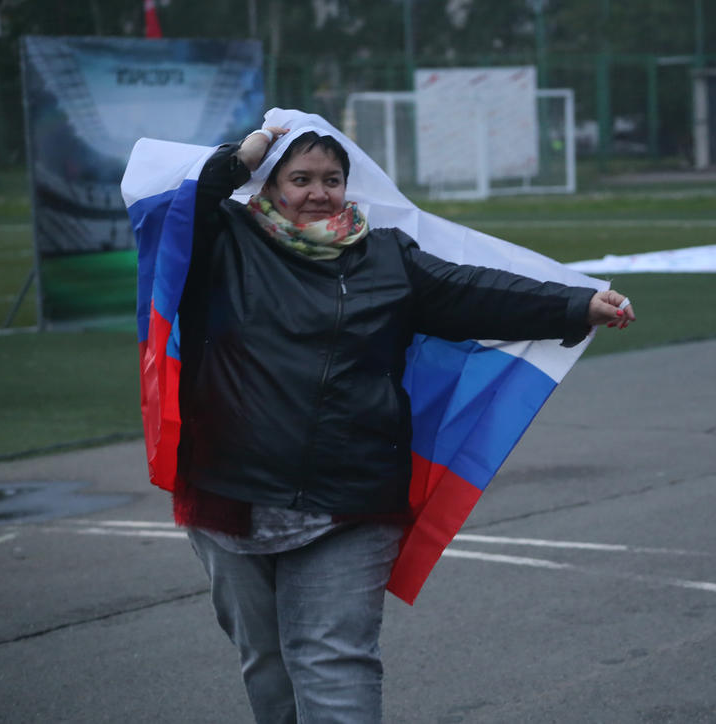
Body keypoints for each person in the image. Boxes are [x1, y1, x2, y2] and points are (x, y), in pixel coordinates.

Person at [167, 120, 635, 724]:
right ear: (270, 184)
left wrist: (575, 304)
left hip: (350, 499)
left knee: (333, 661)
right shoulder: (223, 240)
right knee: (266, 661)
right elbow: (174, 212)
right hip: (230, 494)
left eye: (332, 179)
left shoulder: (386, 255)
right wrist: (241, 156)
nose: (318, 193)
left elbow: (473, 291)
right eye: (300, 178)